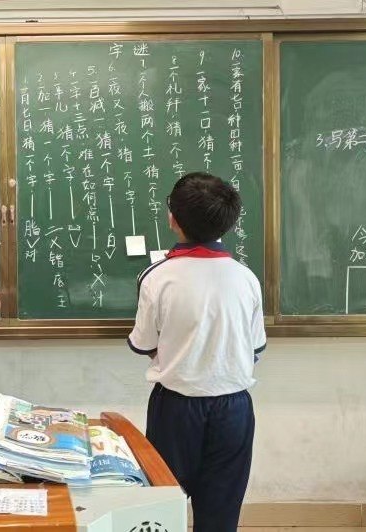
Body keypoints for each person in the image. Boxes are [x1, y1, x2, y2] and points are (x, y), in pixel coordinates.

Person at [127, 172, 266, 532]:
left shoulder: (157, 277)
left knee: (163, 508)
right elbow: (254, 348)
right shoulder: (246, 278)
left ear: (172, 218)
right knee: (221, 513)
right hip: (234, 407)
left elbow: (144, 344)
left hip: (176, 407)